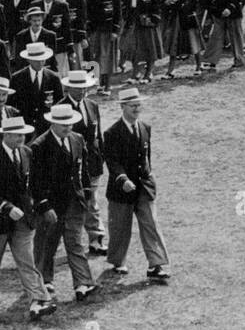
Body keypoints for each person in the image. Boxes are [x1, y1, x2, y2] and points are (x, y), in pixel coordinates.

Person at [0, 114, 55, 320]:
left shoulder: (27, 153)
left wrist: (40, 206)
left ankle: (38, 299)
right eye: (16, 135)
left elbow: (34, 185)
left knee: (26, 260)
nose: (21, 138)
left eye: (22, 134)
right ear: (5, 135)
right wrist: (6, 206)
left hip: (23, 219)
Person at [30, 102, 97, 302]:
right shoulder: (39, 146)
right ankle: (44, 281)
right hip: (51, 205)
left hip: (74, 203)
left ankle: (83, 283)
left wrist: (86, 192)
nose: (67, 127)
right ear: (52, 124)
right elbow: (35, 181)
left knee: (74, 242)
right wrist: (44, 206)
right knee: (47, 244)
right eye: (63, 124)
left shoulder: (77, 139)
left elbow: (82, 170)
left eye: (69, 124)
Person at [102, 87, 170, 283]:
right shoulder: (112, 133)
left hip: (143, 187)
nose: (137, 109)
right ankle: (118, 261)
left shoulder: (145, 128)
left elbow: (146, 157)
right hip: (122, 189)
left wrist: (150, 178)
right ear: (122, 107)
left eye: (139, 105)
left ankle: (156, 265)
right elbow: (112, 161)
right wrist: (123, 180)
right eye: (133, 106)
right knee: (120, 227)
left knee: (151, 224)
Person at [57, 70, 107, 255]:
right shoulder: (61, 109)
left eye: (84, 87)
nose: (81, 91)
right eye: (77, 88)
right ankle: (68, 241)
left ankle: (96, 238)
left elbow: (97, 135)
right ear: (68, 87)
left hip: (92, 162)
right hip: (71, 165)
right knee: (73, 204)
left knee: (92, 200)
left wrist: (101, 157)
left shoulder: (92, 106)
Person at [83, 0, 122, 97]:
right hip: (94, 29)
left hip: (107, 29)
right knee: (93, 56)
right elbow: (87, 11)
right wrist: (87, 29)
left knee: (107, 57)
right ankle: (94, 84)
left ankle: (107, 84)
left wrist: (115, 30)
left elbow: (118, 13)